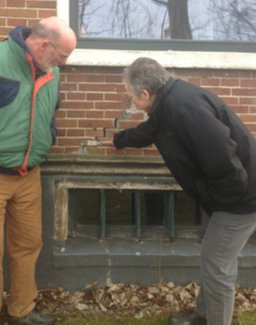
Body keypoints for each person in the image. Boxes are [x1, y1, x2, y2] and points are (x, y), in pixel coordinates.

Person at [102, 57, 256, 325]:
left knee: (216, 266)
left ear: (146, 93)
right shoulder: (169, 102)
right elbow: (152, 130)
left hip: (241, 198)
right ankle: (205, 314)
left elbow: (223, 156)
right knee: (215, 260)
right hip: (225, 195)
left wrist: (222, 200)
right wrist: (119, 140)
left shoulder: (184, 108)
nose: (134, 104)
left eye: (132, 98)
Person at [0, 17, 77, 325]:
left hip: (27, 175)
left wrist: (47, 138)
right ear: (44, 45)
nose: (64, 62)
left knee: (28, 245)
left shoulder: (52, 71)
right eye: (63, 55)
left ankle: (22, 309)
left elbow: (50, 111)